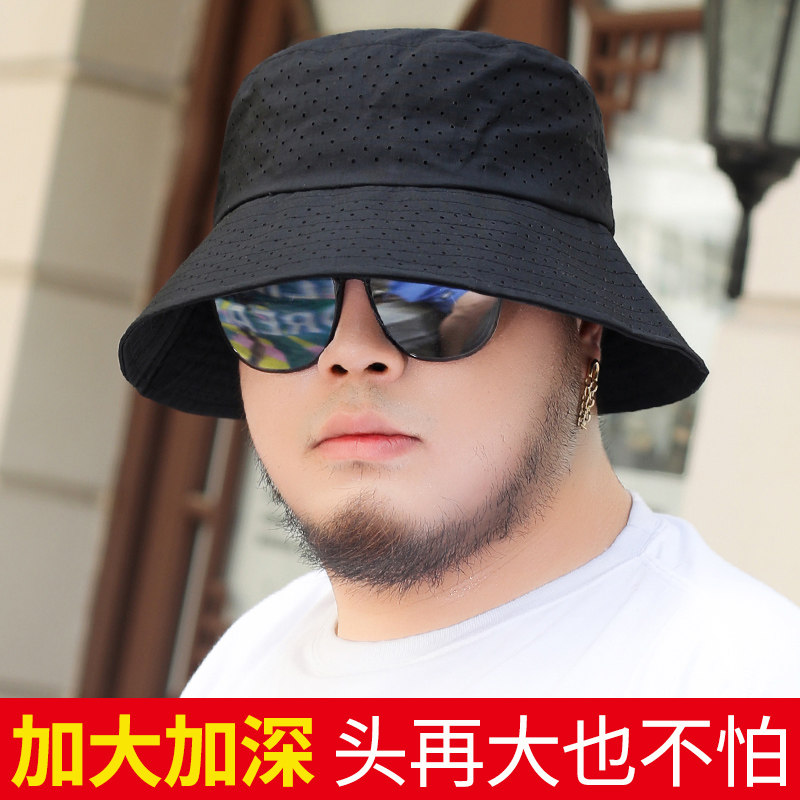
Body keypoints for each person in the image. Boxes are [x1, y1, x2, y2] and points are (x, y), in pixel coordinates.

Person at [119, 29, 800, 696]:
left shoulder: (742, 689)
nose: (351, 353)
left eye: (431, 293)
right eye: (277, 304)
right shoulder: (246, 663)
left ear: (584, 328)